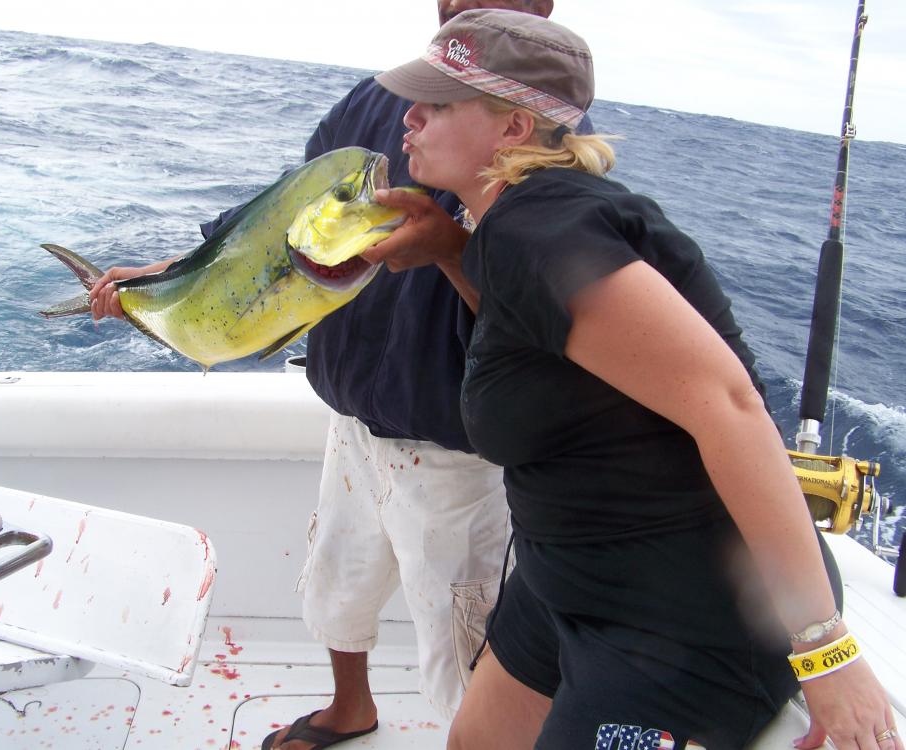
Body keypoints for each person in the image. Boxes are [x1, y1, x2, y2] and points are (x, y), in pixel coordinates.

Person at [370, 9, 903, 750]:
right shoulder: (508, 226)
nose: (412, 115)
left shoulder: (538, 232)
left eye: (440, 102)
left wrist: (827, 651)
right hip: (569, 577)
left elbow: (732, 406)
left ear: (514, 129)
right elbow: (546, 343)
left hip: (682, 621)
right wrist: (451, 252)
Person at [89, 3, 580, 749]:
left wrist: (452, 250)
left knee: (463, 640)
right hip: (353, 411)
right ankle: (350, 708)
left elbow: (541, 328)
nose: (455, 2)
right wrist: (166, 279)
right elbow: (269, 221)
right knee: (337, 587)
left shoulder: (545, 153)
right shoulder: (380, 98)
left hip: (454, 453)